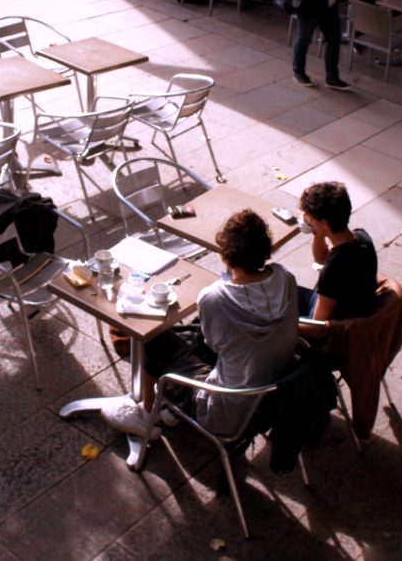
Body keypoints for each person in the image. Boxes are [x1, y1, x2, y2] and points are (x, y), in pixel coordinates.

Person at [101, 209, 300, 437]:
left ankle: (146, 415)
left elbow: (211, 345)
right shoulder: (286, 278)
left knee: (152, 338)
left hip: (223, 411)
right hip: (271, 398)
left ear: (226, 253)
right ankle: (170, 409)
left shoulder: (215, 297)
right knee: (199, 336)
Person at [296, 181, 377, 336]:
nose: (306, 220)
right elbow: (321, 259)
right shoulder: (361, 236)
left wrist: (280, 329)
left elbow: (317, 328)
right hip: (348, 306)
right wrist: (317, 233)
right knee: (283, 289)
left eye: (310, 218)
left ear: (325, 223)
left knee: (272, 306)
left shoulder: (334, 268)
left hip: (335, 328)